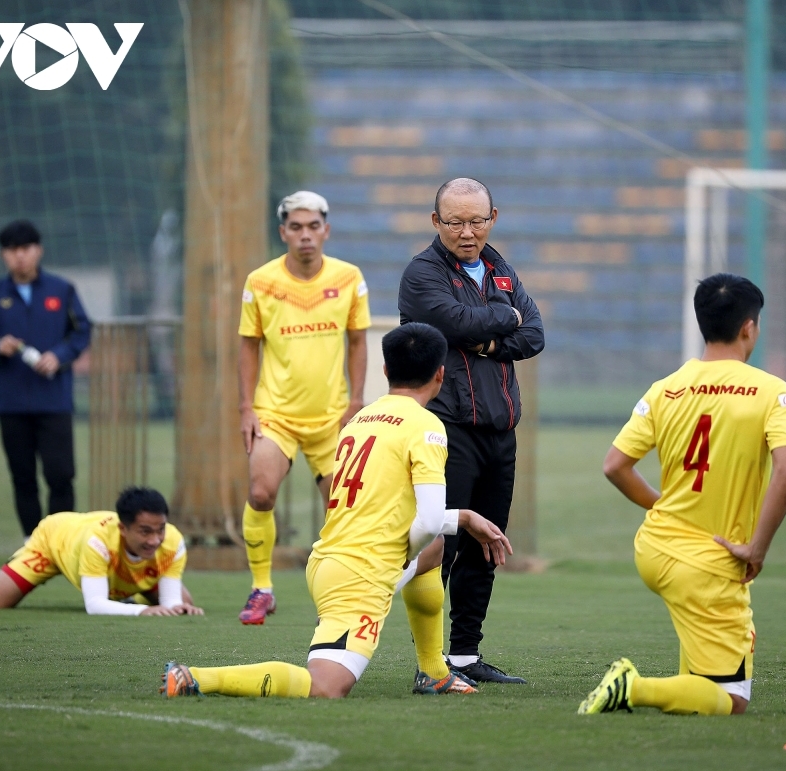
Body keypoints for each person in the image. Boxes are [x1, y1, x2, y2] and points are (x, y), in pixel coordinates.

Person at [160, 323, 511, 699]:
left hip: (328, 557)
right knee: (325, 688)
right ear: (441, 374)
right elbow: (426, 519)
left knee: (434, 550)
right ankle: (194, 677)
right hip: (359, 575)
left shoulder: (359, 420)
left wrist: (447, 528)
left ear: (386, 372)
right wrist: (417, 550)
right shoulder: (427, 426)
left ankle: (433, 672)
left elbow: (414, 522)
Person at [579, 273, 786, 716]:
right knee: (732, 701)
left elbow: (615, 466)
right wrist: (757, 546)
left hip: (656, 547)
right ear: (748, 327)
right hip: (710, 561)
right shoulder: (771, 390)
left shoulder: (666, 389)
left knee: (701, 681)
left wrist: (661, 506)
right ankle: (633, 688)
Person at [396, 177, 544, 684]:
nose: (467, 231)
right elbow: (454, 321)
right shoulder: (422, 273)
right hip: (446, 426)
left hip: (500, 428)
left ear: (493, 218)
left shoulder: (499, 267)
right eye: (455, 221)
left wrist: (490, 339)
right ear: (436, 222)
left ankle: (463, 656)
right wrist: (502, 319)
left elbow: (534, 334)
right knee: (441, 543)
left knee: (487, 545)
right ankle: (429, 664)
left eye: (477, 220)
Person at [237, 191, 370, 625]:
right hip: (274, 414)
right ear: (283, 233)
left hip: (332, 417)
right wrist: (246, 407)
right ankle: (262, 589)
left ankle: (336, 592)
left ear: (326, 231)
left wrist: (355, 400)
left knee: (342, 508)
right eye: (296, 227)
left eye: (313, 226)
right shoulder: (261, 281)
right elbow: (248, 346)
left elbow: (357, 341)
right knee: (261, 492)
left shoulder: (349, 277)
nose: (305, 235)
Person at [0, 220, 91, 537]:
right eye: (12, 250)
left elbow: (82, 331)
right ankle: (32, 545)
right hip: (12, 401)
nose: (19, 256)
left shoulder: (61, 290)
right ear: (3, 255)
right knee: (23, 476)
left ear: (38, 250)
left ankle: (59, 541)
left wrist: (58, 356)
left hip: (54, 400)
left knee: (60, 474)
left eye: (25, 249)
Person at [0, 487, 202, 616]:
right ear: (123, 529)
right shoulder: (97, 541)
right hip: (54, 541)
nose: (155, 539)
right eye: (145, 531)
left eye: (159, 529)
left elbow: (173, 602)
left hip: (115, 574)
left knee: (185, 603)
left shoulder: (173, 542)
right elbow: (95, 606)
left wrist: (174, 607)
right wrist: (146, 610)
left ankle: (128, 593)